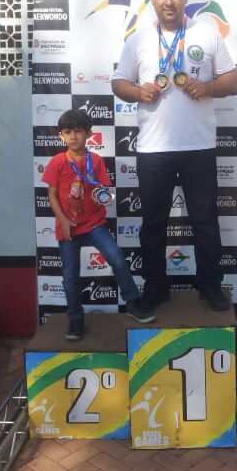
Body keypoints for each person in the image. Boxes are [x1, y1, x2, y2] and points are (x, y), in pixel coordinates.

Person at [112, 0, 237, 316]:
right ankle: (156, 288)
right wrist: (138, 92)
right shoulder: (138, 38)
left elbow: (233, 79)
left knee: (205, 222)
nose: (168, 1)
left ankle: (210, 285)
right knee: (153, 224)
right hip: (154, 149)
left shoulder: (207, 33)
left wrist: (208, 87)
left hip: (199, 147)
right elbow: (118, 82)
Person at [42, 109, 152, 340]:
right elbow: (51, 194)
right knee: (70, 277)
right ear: (61, 136)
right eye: (67, 132)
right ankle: (75, 318)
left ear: (89, 134)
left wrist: (101, 196)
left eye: (78, 131)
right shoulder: (57, 162)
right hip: (68, 228)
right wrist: (63, 220)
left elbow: (105, 191)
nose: (73, 137)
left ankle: (132, 302)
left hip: (94, 224)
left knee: (117, 258)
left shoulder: (96, 160)